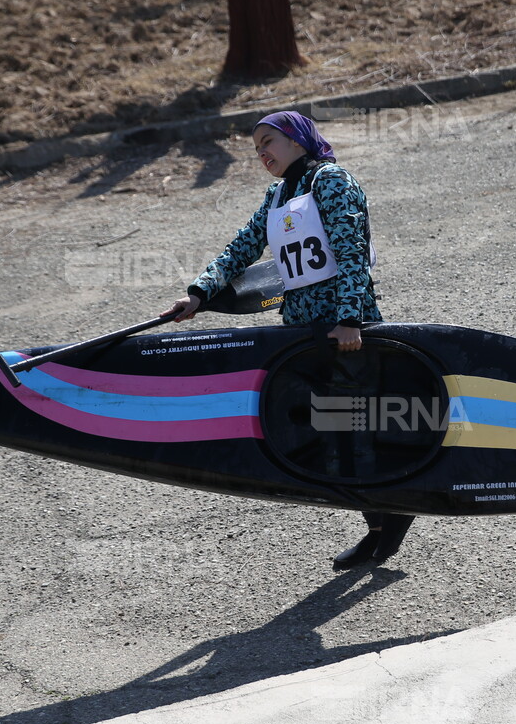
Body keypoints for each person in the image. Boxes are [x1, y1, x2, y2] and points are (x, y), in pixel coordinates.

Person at [163, 111, 414, 569]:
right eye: (255, 147)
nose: (261, 152)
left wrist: (351, 319)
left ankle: (389, 518)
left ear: (298, 140)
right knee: (327, 433)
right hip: (299, 331)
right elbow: (242, 247)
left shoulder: (330, 180)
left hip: (343, 328)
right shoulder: (278, 194)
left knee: (356, 426)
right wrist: (198, 294)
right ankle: (380, 525)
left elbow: (352, 250)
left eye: (268, 141)